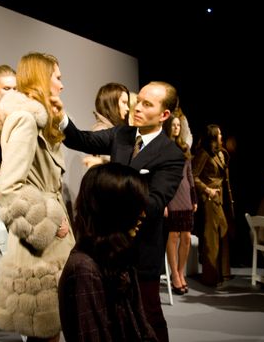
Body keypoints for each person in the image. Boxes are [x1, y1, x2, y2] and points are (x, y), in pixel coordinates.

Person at [60, 81, 184, 342]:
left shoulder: (171, 154)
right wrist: (60, 115)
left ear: (164, 115)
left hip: (142, 249)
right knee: (115, 316)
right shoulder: (122, 135)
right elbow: (81, 139)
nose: (137, 107)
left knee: (148, 316)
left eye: (147, 104)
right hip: (109, 247)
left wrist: (108, 183)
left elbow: (155, 202)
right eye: (137, 100)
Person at [0, 52, 75, 342]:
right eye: (57, 77)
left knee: (50, 332)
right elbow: (8, 187)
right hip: (40, 246)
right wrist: (50, 224)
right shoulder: (26, 121)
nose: (61, 85)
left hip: (51, 243)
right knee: (46, 333)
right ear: (42, 78)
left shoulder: (39, 122)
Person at [58, 162, 158, 342]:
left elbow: (142, 326)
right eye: (135, 206)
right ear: (114, 211)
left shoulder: (117, 256)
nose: (142, 214)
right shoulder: (84, 271)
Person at [192, 124, 234, 287]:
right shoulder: (203, 153)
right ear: (213, 136)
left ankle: (222, 273)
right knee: (211, 237)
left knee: (222, 231)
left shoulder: (220, 153)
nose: (222, 136)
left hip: (220, 197)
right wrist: (207, 189)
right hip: (210, 198)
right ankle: (210, 276)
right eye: (219, 134)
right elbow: (193, 176)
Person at [163, 111, 197, 295]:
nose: (176, 128)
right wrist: (164, 202)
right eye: (173, 125)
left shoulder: (184, 147)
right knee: (174, 236)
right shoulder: (163, 147)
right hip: (171, 196)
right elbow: (160, 176)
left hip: (185, 195)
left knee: (186, 238)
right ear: (168, 126)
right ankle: (174, 275)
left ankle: (181, 272)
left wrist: (194, 198)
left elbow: (190, 175)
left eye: (178, 125)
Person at [82, 82, 130, 168]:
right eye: (124, 102)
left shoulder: (112, 129)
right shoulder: (102, 130)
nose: (127, 108)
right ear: (111, 104)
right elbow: (108, 169)